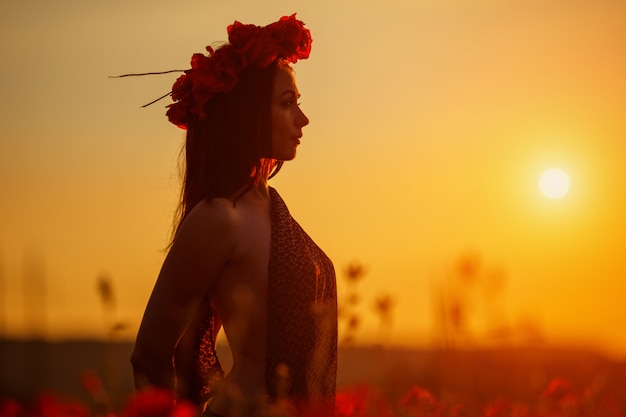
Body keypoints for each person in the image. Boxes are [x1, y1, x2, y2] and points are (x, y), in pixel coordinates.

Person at [129, 14, 337, 417]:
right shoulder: (218, 219)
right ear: (247, 113)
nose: (302, 119)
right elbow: (149, 355)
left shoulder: (271, 207)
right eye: (287, 103)